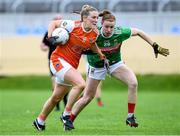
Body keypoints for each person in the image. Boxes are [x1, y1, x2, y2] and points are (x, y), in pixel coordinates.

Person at [61, 10, 170, 130]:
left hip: (115, 64)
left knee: (133, 83)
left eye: (111, 27)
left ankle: (130, 116)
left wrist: (154, 45)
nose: (109, 30)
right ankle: (69, 121)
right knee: (88, 97)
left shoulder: (120, 32)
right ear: (101, 24)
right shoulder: (94, 32)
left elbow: (139, 32)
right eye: (106, 26)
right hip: (97, 66)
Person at [33, 5, 105, 131]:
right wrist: (50, 37)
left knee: (56, 97)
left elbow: (92, 44)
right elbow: (53, 23)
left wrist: (99, 54)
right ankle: (66, 114)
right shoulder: (72, 25)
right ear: (85, 18)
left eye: (97, 17)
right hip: (58, 60)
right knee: (81, 84)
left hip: (70, 66)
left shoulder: (95, 32)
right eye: (93, 17)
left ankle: (39, 121)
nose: (96, 20)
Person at [40, 16, 68, 111]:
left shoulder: (66, 32)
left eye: (60, 19)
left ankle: (65, 104)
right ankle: (56, 106)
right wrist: (44, 47)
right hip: (53, 61)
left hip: (65, 60)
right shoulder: (49, 33)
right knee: (54, 82)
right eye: (56, 19)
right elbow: (43, 44)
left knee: (65, 83)